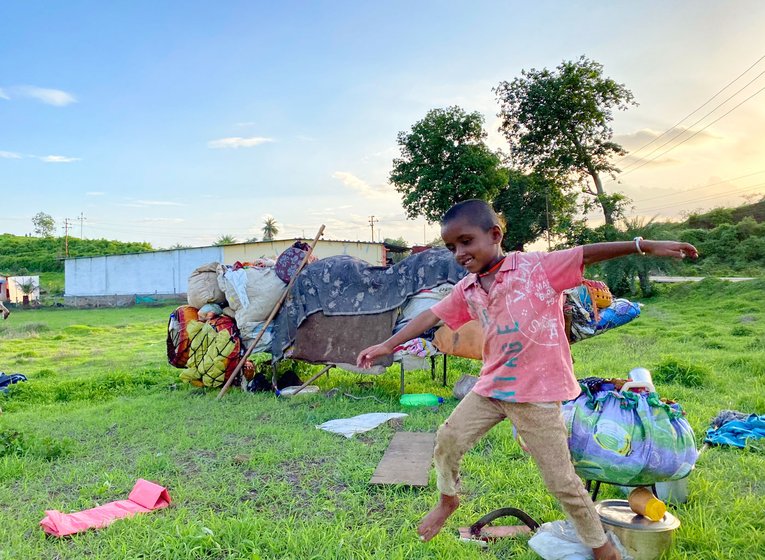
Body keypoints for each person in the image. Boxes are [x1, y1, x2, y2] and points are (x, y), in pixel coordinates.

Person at [357, 199, 698, 560]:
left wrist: (642, 245)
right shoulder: (469, 288)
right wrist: (387, 344)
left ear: (495, 235)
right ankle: (448, 499)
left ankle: (601, 548)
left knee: (562, 481)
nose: (459, 252)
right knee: (447, 440)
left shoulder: (536, 267)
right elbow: (430, 316)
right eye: (451, 246)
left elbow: (586, 254)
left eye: (466, 241)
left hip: (536, 394)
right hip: (491, 388)